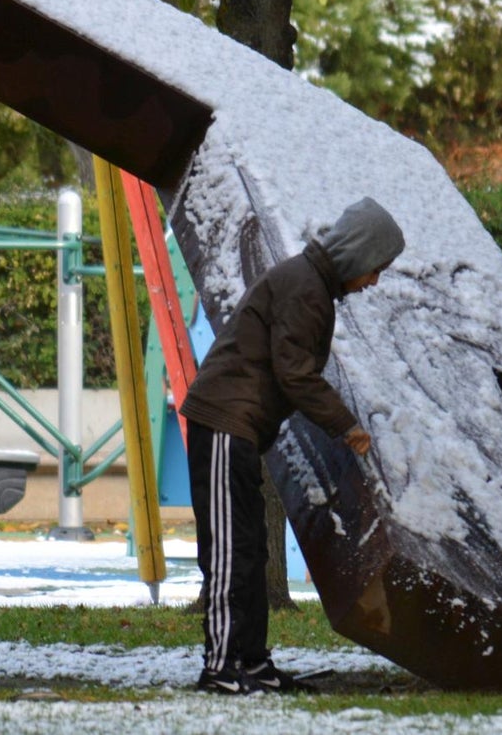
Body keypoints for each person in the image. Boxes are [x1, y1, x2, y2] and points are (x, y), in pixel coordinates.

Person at [180, 197, 405, 694]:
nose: (374, 282)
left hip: (238, 428)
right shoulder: (306, 289)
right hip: (222, 422)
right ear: (357, 255)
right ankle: (220, 669)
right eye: (375, 269)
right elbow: (296, 375)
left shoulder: (311, 285)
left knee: (250, 550)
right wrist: (347, 426)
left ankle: (252, 663)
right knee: (228, 552)